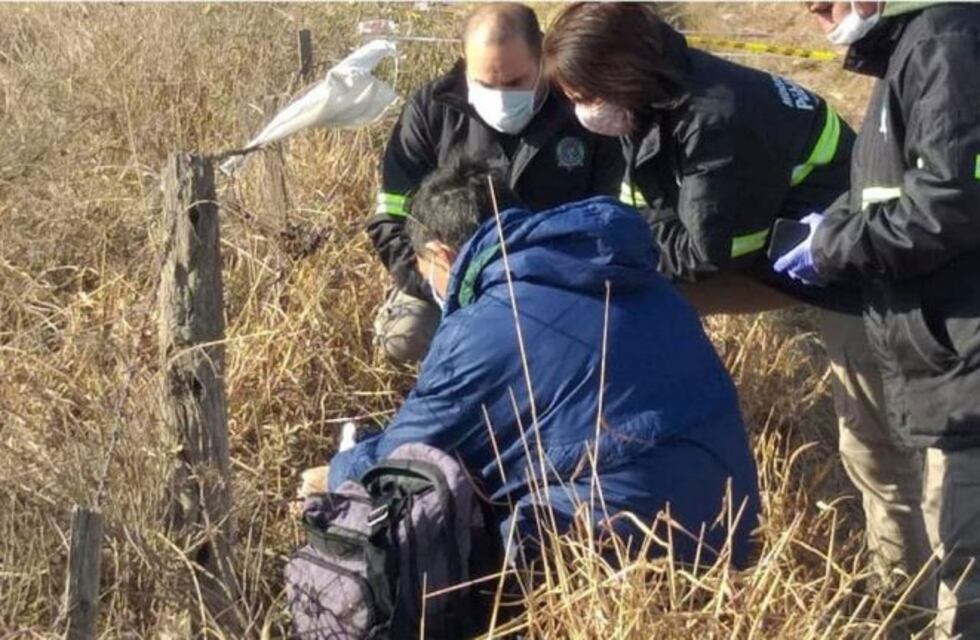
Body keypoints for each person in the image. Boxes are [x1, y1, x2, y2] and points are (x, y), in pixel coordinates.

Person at [541, 0, 931, 607]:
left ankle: (906, 597)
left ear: (617, 75)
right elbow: (657, 216)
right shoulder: (656, 96)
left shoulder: (716, 114)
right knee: (626, 287)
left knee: (874, 445)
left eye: (581, 95)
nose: (579, 111)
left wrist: (631, 235)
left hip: (856, 273)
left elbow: (704, 251)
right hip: (773, 249)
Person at [332, 156, 759, 566]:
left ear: (442, 255)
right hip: (735, 528)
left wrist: (340, 469)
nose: (433, 288)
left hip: (618, 547)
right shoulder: (641, 278)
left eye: (427, 274)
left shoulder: (483, 327)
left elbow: (397, 463)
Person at [777, 3, 980, 636]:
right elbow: (888, 189)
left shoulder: (947, 40)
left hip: (964, 345)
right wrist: (838, 223)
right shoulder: (917, 48)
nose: (813, 9)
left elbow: (948, 203)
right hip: (945, 343)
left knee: (969, 564)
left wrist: (831, 247)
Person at [368, 2, 623, 365]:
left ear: (542, 57)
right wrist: (445, 282)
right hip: (451, 279)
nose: (501, 95)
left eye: (516, 82)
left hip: (561, 279)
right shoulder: (430, 110)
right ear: (465, 61)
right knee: (404, 336)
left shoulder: (581, 109)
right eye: (485, 82)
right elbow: (392, 218)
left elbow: (611, 216)